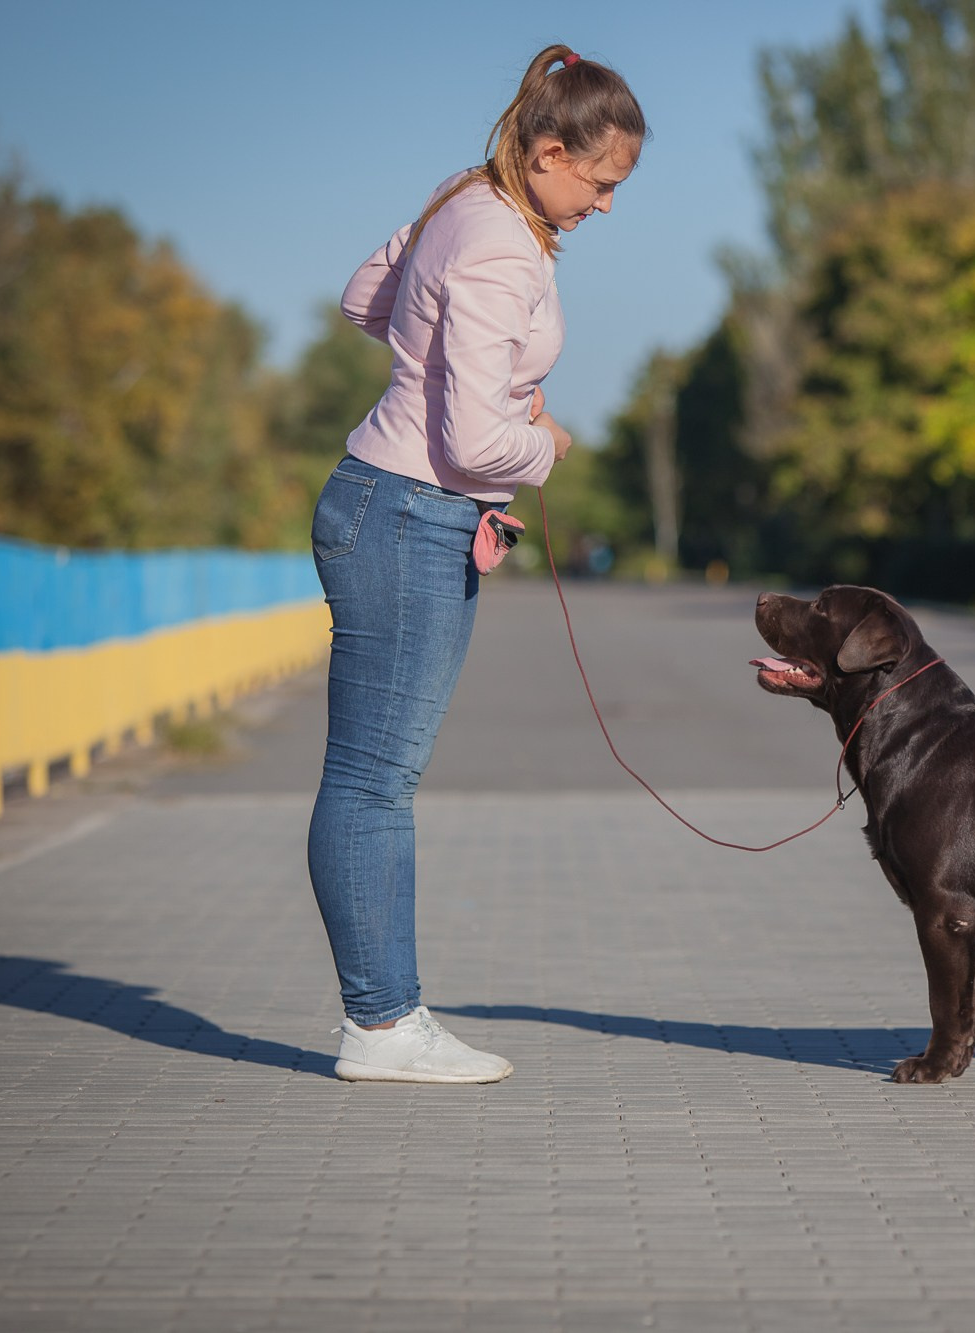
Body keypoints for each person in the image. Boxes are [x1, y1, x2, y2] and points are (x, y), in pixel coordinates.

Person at [306, 44, 646, 1083]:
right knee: (372, 782)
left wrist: (470, 371)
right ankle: (380, 1026)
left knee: (372, 778)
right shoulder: (507, 245)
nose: (603, 205)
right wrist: (543, 442)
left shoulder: (466, 198)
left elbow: (370, 299)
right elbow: (471, 445)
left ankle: (385, 1018)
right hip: (411, 509)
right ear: (549, 151)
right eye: (598, 182)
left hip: (381, 498)